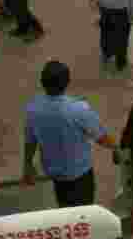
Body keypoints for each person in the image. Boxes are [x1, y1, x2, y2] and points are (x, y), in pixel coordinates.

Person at [23, 61, 119, 207]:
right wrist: (116, 147)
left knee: (65, 207)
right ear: (67, 82)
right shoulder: (79, 109)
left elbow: (30, 141)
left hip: (55, 174)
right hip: (80, 174)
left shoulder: (33, 109)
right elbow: (100, 137)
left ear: (42, 82)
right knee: (85, 211)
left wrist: (28, 165)